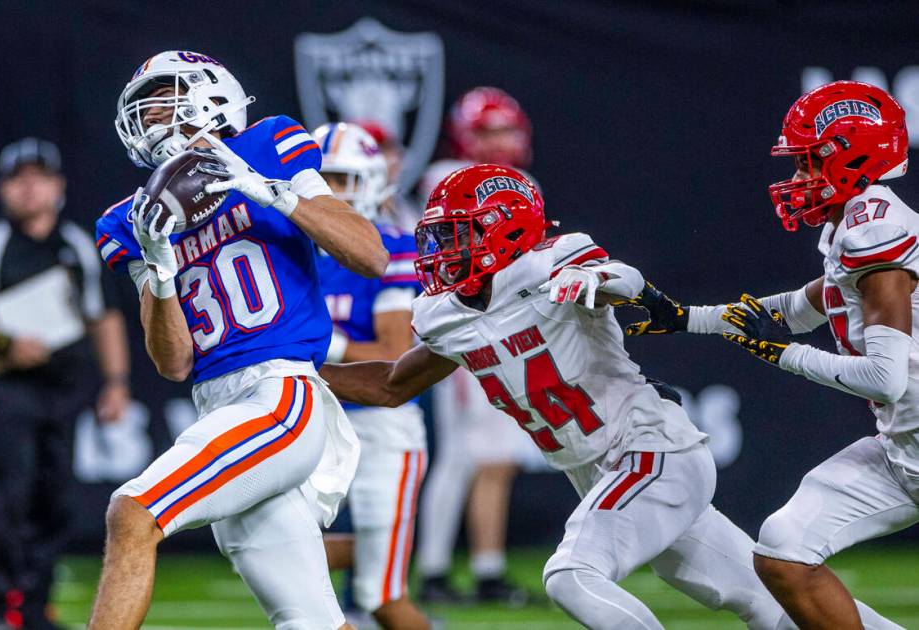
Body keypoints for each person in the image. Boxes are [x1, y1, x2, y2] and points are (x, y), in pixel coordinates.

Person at [320, 163, 799, 629]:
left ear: (503, 231)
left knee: (571, 575)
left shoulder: (552, 264)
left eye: (458, 234)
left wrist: (597, 279)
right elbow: (389, 385)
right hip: (600, 471)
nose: (444, 251)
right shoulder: (445, 316)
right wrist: (293, 369)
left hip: (652, 451)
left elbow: (626, 280)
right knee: (768, 602)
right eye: (441, 236)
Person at [89, 50, 387, 630]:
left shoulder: (268, 144)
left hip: (280, 395)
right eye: (143, 111)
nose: (150, 120)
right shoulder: (130, 219)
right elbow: (173, 363)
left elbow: (370, 254)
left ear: (210, 94)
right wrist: (161, 267)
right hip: (219, 405)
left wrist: (270, 191)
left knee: (133, 512)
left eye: (162, 101)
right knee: (314, 623)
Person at [624, 80, 914, 630]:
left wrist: (783, 356)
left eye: (809, 164)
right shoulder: (854, 223)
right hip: (904, 449)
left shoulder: (877, 231)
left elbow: (884, 378)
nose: (799, 179)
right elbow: (790, 311)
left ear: (850, 157)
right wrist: (685, 317)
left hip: (908, 438)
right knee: (783, 551)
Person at [0, 137, 131, 630]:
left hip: (63, 390)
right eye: (18, 179)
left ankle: (36, 604)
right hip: (5, 390)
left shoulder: (76, 246)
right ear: (4, 188)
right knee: (8, 495)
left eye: (38, 177)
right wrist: (3, 341)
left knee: (56, 498)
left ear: (58, 186)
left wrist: (116, 382)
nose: (29, 189)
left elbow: (103, 316)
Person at [417, 87, 541, 604]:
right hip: (467, 323)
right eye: (489, 131)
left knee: (481, 458)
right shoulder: (444, 178)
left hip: (507, 324)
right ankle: (453, 571)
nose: (500, 142)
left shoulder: (524, 183)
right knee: (473, 456)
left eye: (505, 129)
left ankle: (446, 570)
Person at [312, 122, 430, 630]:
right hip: (309, 420)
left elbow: (391, 354)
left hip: (381, 427)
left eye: (340, 178)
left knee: (381, 597)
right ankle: (382, 547)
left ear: (372, 181)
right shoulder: (286, 252)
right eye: (320, 177)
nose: (328, 190)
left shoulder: (392, 249)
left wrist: (317, 339)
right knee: (258, 546)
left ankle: (384, 550)